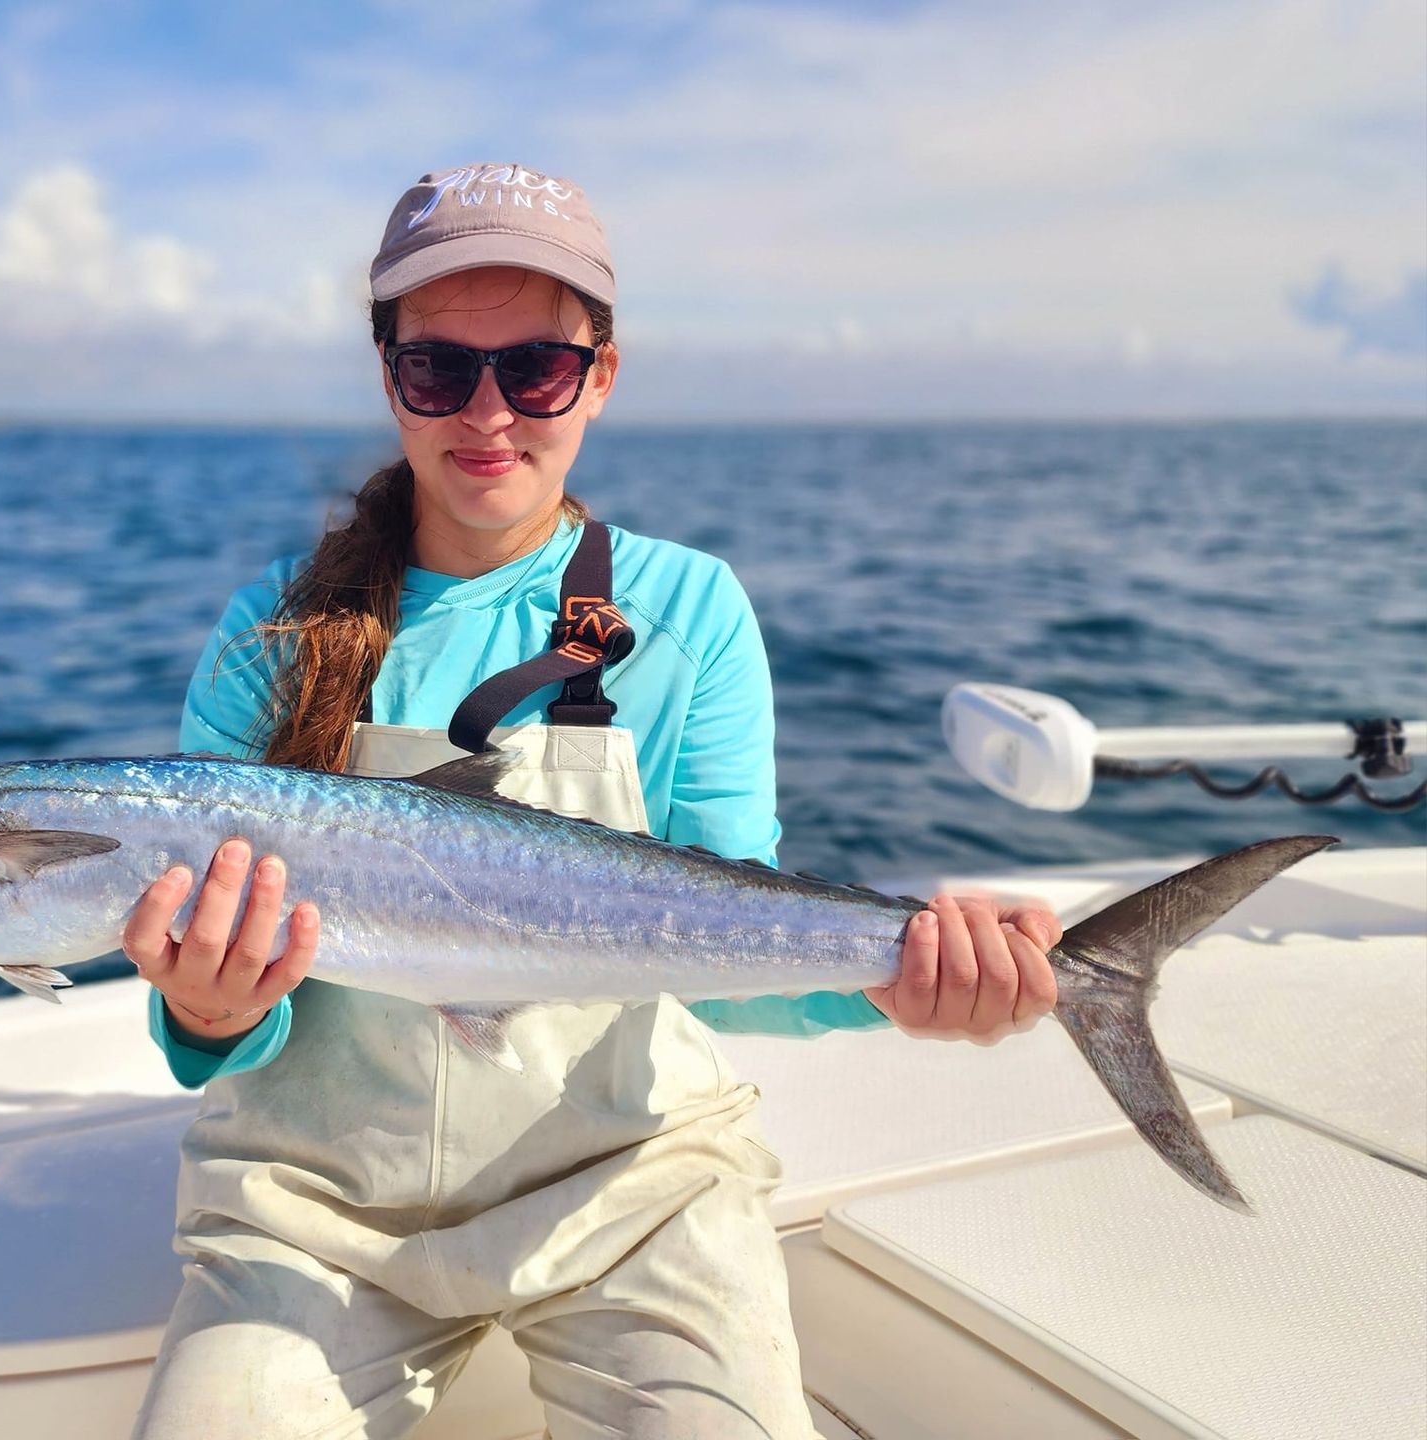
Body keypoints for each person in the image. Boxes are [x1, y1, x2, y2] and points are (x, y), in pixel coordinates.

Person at [125, 162, 1063, 1440]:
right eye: (440, 369)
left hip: (627, 1188)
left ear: (600, 377)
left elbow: (740, 929)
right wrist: (205, 1009)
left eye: (539, 371)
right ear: (389, 372)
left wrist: (899, 977)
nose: (490, 413)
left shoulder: (687, 614)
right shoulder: (270, 632)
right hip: (315, 1209)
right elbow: (211, 1030)